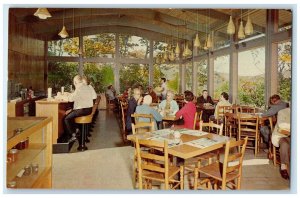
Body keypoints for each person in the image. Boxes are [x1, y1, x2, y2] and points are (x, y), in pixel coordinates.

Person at [64, 75, 94, 142]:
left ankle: (73, 135)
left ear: (75, 82)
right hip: (89, 109)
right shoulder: (87, 87)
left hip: (83, 110)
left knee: (66, 118)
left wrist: (62, 96)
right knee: (72, 114)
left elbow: (71, 99)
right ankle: (77, 129)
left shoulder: (79, 88)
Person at [271, 107, 290, 180]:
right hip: (281, 135)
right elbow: (281, 125)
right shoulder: (282, 112)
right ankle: (283, 166)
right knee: (285, 144)